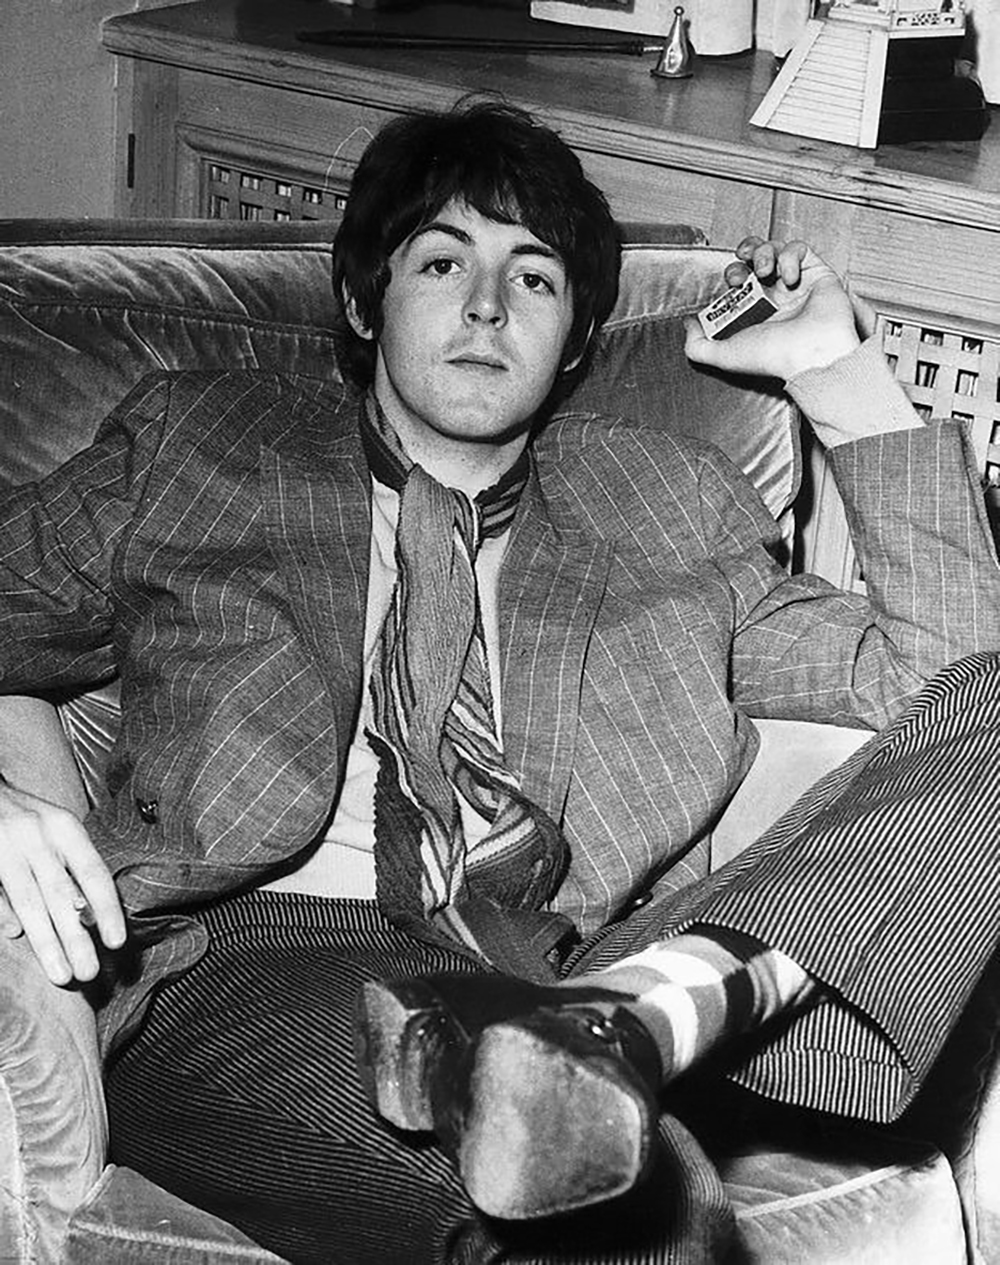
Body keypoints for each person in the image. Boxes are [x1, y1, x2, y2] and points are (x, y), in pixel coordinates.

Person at [1, 97, 1000, 1264]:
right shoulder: (200, 443)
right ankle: (628, 1029)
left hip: (575, 960)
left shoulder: (661, 499)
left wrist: (835, 369)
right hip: (248, 968)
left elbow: (952, 677)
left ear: (576, 335)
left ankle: (639, 1009)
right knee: (613, 1187)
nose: (485, 305)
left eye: (533, 278)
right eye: (441, 261)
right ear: (364, 303)